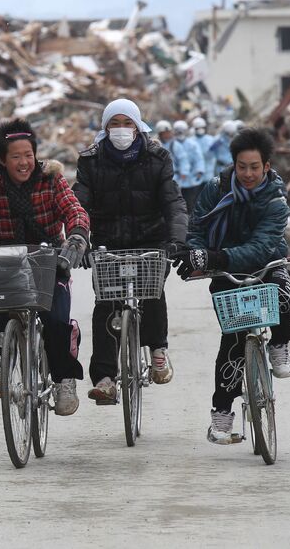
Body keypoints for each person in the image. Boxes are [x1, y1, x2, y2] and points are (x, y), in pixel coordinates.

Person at [171, 127, 290, 444]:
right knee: (234, 338)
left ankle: (278, 343)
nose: (248, 173)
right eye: (242, 166)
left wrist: (215, 257)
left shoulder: (275, 199)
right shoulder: (215, 189)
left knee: (285, 295)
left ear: (266, 167)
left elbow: (261, 248)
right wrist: (196, 253)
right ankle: (222, 413)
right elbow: (198, 227)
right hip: (225, 272)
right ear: (233, 164)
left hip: (264, 265)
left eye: (255, 167)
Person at [0, 118, 90, 416]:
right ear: (2, 159)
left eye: (28, 155)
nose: (24, 162)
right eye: (16, 156)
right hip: (7, 263)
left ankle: (64, 380)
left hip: (51, 260)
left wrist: (76, 238)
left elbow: (74, 211)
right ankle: (0, 366)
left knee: (55, 321)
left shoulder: (51, 180)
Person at [73, 98, 188, 404]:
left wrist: (176, 239)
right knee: (106, 307)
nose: (121, 130)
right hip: (107, 244)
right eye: (114, 124)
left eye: (127, 124)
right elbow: (78, 206)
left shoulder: (157, 157)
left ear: (138, 127)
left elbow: (173, 202)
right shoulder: (90, 161)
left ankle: (158, 349)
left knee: (151, 293)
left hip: (151, 240)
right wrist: (79, 240)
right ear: (105, 128)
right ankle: (105, 378)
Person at [173, 120, 205, 214]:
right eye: (178, 131)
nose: (180, 133)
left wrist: (199, 171)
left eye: (182, 130)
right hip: (175, 179)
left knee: (190, 203)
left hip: (190, 179)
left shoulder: (193, 144)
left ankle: (190, 223)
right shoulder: (171, 144)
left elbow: (199, 159)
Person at [155, 119, 191, 191]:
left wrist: (184, 172)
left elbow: (183, 159)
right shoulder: (155, 144)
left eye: (168, 132)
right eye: (165, 133)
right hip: (158, 178)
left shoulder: (175, 145)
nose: (167, 134)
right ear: (160, 133)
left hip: (174, 178)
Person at [191, 116, 216, 189]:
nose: (200, 130)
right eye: (198, 128)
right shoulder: (191, 141)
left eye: (202, 127)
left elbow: (213, 155)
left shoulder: (211, 140)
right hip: (195, 175)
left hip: (209, 174)